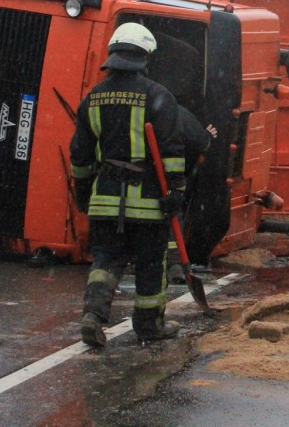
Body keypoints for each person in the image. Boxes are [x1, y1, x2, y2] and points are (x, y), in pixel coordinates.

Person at [70, 23, 187, 347]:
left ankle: (93, 316)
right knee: (151, 263)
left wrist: (82, 192)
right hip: (147, 199)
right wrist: (175, 191)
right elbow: (171, 151)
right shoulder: (157, 95)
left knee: (105, 260)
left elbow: (79, 154)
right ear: (145, 56)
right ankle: (149, 326)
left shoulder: (92, 98)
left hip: (104, 198)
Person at [166, 106, 217, 284]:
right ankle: (175, 266)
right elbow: (199, 141)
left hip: (135, 181)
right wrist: (207, 137)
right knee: (172, 215)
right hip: (169, 180)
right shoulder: (177, 112)